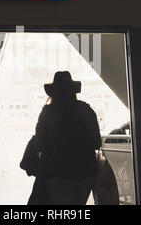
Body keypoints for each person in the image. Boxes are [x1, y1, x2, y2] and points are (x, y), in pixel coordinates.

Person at [32, 71, 102, 205]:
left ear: (53, 92)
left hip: (57, 171)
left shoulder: (47, 112)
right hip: (85, 171)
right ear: (73, 91)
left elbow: (39, 144)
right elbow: (97, 142)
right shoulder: (85, 109)